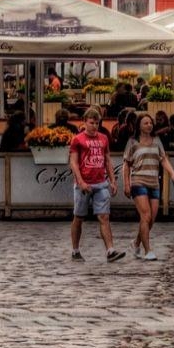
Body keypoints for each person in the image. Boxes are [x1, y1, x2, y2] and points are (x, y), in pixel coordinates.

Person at [67, 112, 125, 263]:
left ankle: (110, 250)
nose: (94, 126)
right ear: (84, 122)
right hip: (83, 184)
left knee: (104, 216)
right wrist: (80, 182)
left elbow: (107, 160)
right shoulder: (77, 140)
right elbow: (73, 162)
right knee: (79, 218)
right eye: (91, 123)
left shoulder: (103, 138)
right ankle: (75, 250)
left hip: (100, 183)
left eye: (97, 123)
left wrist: (112, 180)